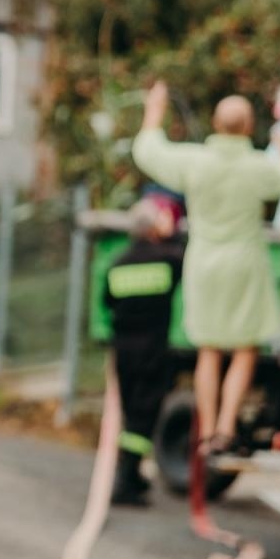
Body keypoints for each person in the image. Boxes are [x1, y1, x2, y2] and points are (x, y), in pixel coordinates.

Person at [132, 81, 280, 459]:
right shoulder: (257, 167)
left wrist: (154, 110)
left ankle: (205, 431)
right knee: (246, 346)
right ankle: (226, 428)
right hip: (243, 264)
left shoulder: (195, 162)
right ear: (249, 127)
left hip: (203, 264)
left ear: (217, 125)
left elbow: (148, 151)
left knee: (209, 348)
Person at [102, 197, 185, 505]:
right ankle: (126, 481)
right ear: (152, 229)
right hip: (152, 350)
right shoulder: (167, 259)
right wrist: (172, 233)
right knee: (143, 415)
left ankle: (131, 476)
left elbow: (108, 302)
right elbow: (182, 259)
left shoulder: (118, 264)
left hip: (123, 350)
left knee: (130, 412)